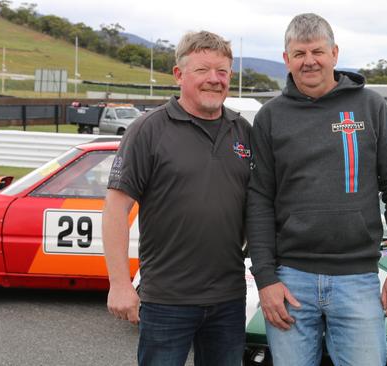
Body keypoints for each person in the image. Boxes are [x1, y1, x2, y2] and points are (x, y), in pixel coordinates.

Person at [246, 13, 387, 366]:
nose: (309, 61)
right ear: (286, 59)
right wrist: (265, 279)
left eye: (317, 51)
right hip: (290, 280)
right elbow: (259, 200)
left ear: (335, 54)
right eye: (299, 53)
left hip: (358, 279)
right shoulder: (270, 117)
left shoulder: (370, 106)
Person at [103, 30, 252, 366]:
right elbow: (116, 207)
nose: (214, 80)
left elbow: (257, 206)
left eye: (223, 72)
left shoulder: (243, 131)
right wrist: (120, 284)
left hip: (228, 298)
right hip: (166, 300)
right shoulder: (148, 130)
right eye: (202, 70)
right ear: (179, 74)